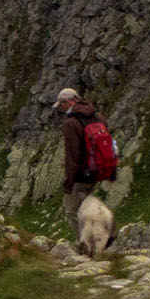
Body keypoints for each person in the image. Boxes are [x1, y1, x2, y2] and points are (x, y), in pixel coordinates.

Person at [53, 87, 105, 233]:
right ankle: (99, 241)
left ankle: (88, 247)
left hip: (80, 175)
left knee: (72, 212)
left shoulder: (71, 123)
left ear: (69, 102)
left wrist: (69, 182)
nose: (62, 108)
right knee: (87, 211)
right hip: (96, 172)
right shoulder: (98, 116)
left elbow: (72, 155)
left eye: (62, 104)